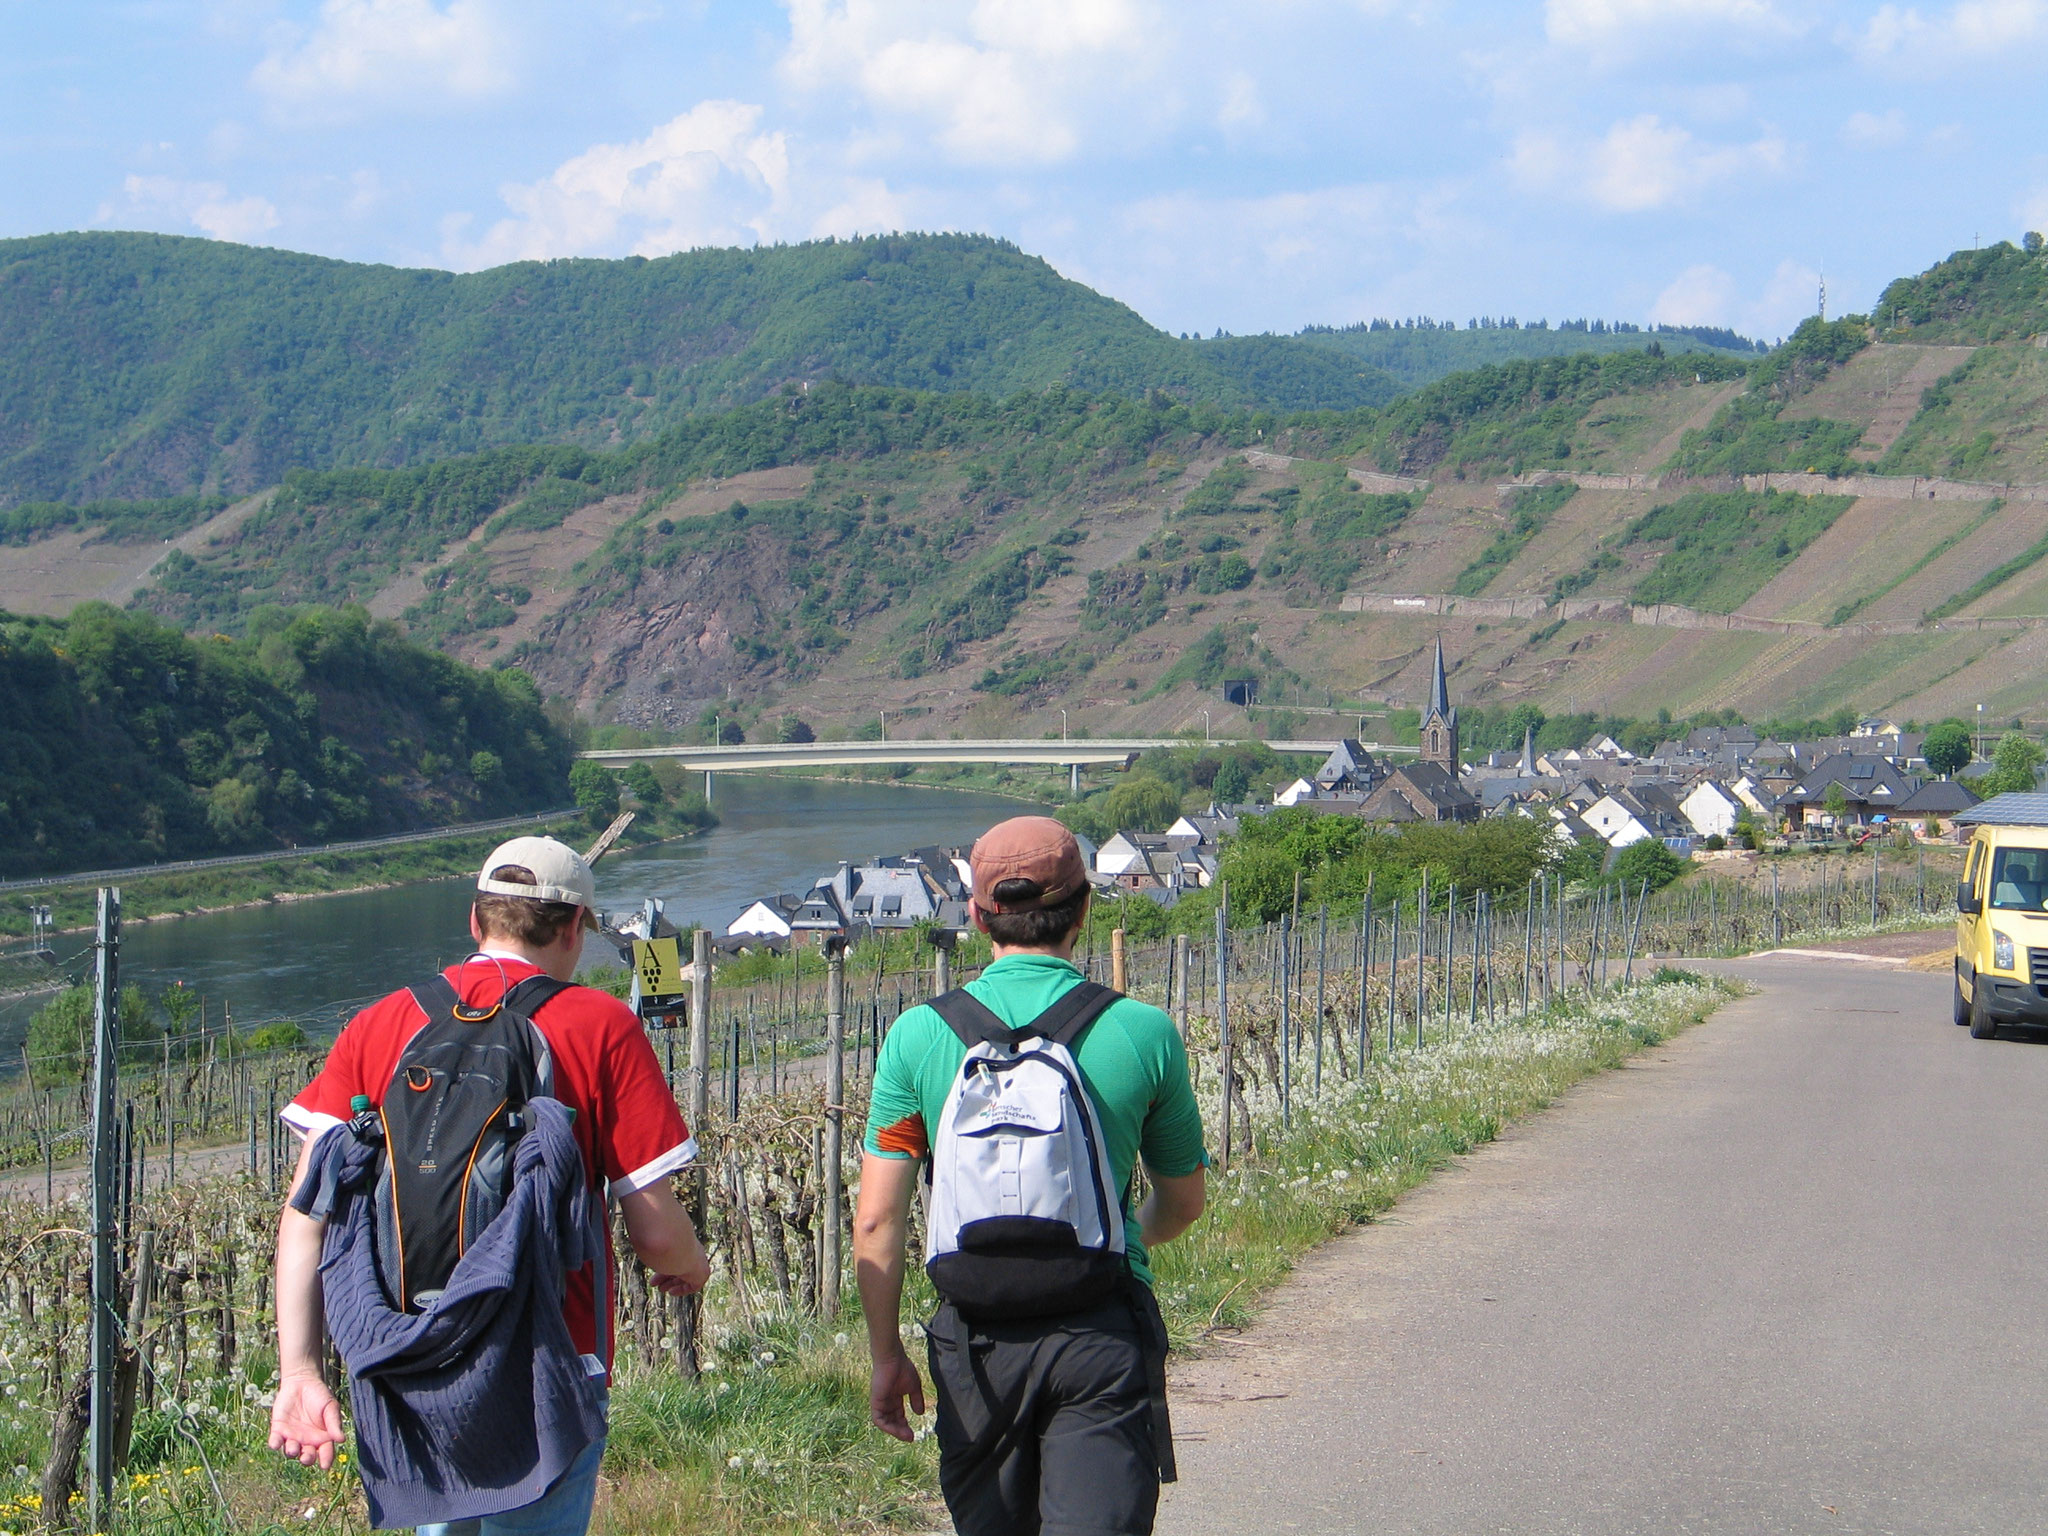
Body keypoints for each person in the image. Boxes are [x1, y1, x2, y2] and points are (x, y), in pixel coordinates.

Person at [268, 835, 710, 1534]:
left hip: (410, 1353)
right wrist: (689, 1266)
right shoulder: (602, 1027)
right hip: (554, 1358)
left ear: (475, 922)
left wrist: (300, 1373)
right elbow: (654, 1231)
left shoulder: (382, 1023)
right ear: (574, 929)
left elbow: (306, 1214)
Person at [855, 815, 1209, 1536]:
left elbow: (876, 1222)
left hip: (975, 1346)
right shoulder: (1144, 1032)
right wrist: (1122, 1235)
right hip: (1100, 1329)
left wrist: (887, 1355)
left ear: (980, 916)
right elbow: (1183, 1202)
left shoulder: (917, 1036)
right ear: (1084, 908)